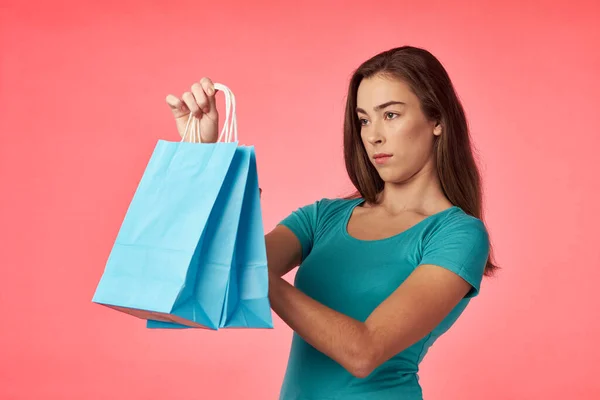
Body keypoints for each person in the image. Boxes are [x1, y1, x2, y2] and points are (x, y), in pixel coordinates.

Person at [166, 45, 498, 400]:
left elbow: (363, 352)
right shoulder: (324, 217)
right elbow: (217, 276)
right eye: (364, 119)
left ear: (438, 121)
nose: (372, 136)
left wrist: (257, 273)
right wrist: (203, 158)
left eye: (390, 115)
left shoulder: (457, 235)